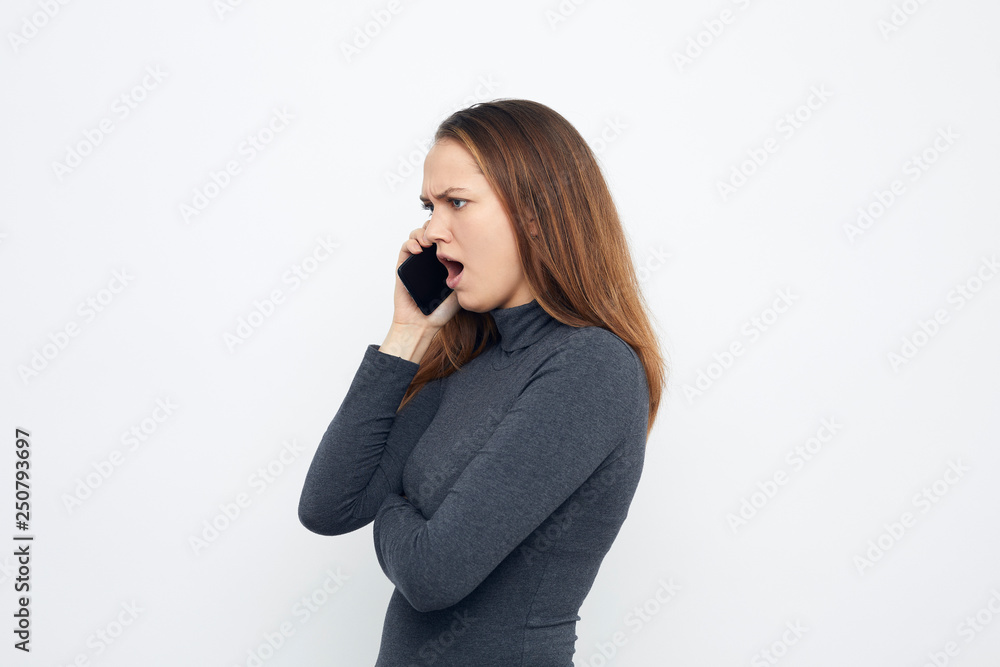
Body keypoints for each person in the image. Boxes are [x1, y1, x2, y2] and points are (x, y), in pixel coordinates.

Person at [297, 98, 667, 666]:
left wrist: (393, 504)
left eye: (457, 203)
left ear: (537, 214)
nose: (430, 230)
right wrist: (407, 333)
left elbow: (432, 574)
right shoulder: (473, 356)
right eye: (428, 205)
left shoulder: (591, 367)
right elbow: (328, 507)